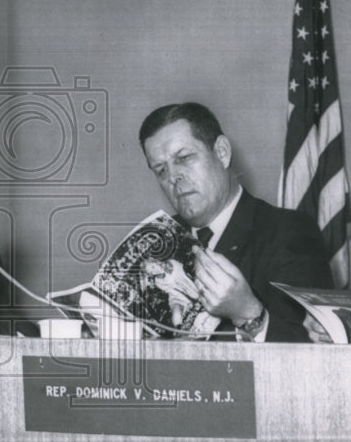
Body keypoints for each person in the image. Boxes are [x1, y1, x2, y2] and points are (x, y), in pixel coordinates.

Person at [138, 102, 334, 342]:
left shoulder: (290, 233)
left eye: (184, 158)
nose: (173, 177)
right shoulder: (156, 242)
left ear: (222, 152)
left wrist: (248, 313)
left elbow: (311, 355)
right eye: (160, 170)